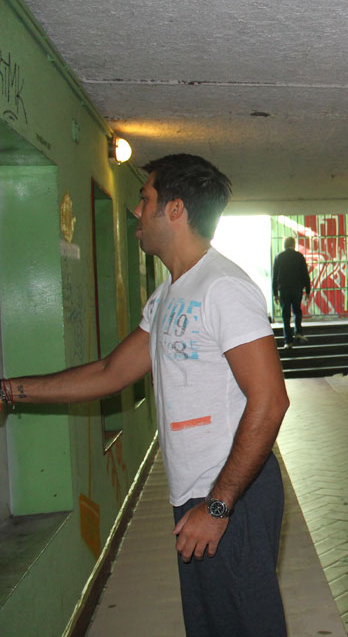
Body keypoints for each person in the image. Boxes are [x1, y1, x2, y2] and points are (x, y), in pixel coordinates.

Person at [0, 154, 290, 636]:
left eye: (145, 198)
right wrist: (11, 390)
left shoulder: (223, 288)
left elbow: (271, 400)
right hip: (198, 493)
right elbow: (111, 372)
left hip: (232, 493)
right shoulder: (170, 294)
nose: (137, 210)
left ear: (175, 209)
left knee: (247, 625)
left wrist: (219, 506)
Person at [272, 236, 311, 349]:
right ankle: (298, 332)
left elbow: (274, 277)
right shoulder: (299, 256)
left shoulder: (278, 257)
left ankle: (288, 341)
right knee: (297, 311)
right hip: (296, 289)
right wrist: (307, 291)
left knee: (285, 314)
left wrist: (275, 293)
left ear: (284, 245)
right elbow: (305, 274)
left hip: (283, 289)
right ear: (294, 245)